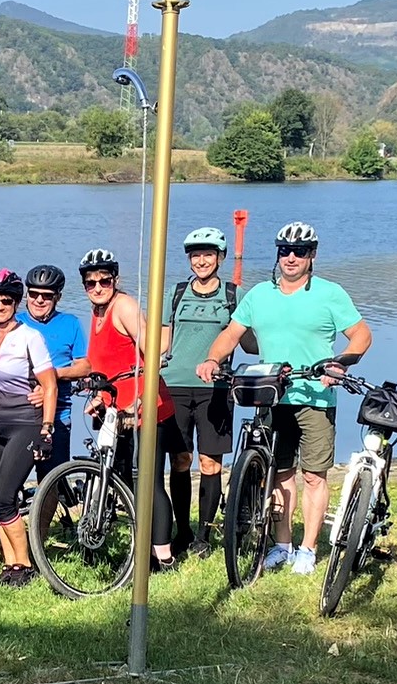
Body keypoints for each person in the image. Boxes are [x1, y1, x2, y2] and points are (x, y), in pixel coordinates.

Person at [196, 222, 374, 576]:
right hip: (271, 394)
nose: (291, 258)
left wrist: (339, 363)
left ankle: (308, 549)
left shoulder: (330, 293)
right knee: (278, 474)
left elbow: (361, 336)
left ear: (312, 256)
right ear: (277, 255)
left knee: (313, 476)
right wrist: (212, 359)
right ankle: (282, 544)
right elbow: (232, 333)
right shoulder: (259, 294)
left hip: (315, 397)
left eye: (300, 252)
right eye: (284, 251)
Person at [77, 249, 185, 569]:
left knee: (147, 481)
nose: (98, 287)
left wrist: (138, 400)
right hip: (115, 412)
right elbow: (108, 363)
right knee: (124, 479)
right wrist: (99, 398)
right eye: (90, 283)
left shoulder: (122, 306)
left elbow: (152, 352)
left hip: (145, 408)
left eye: (104, 280)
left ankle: (163, 557)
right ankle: (141, 548)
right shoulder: (96, 312)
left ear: (116, 279)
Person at [159, 229, 241, 557]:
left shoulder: (233, 295)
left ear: (220, 257)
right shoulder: (176, 294)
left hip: (216, 387)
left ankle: (204, 536)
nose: (202, 261)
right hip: (174, 385)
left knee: (210, 462)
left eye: (208, 254)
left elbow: (244, 338)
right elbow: (163, 341)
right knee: (180, 460)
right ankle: (182, 530)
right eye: (195, 255)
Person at [0, 270, 58, 585]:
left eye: (6, 300)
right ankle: (10, 565)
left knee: (1, 495)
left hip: (25, 423)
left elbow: (48, 386)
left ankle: (24, 564)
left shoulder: (30, 337)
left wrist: (47, 428)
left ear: (16, 303)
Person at [19, 264, 91, 481]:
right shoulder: (16, 323)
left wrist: (51, 377)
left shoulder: (70, 323)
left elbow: (84, 366)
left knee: (50, 481)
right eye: (34, 294)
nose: (39, 300)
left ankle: (43, 515)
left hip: (59, 415)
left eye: (47, 296)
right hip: (20, 413)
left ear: (57, 297)